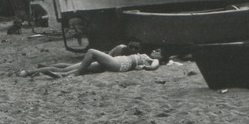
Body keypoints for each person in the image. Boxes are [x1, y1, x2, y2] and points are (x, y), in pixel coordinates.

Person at [30, 43, 160, 78]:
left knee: (91, 51)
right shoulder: (140, 54)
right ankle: (60, 74)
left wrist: (147, 66)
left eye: (159, 52)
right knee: (71, 67)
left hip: (120, 64)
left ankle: (74, 75)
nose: (156, 52)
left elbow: (154, 66)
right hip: (115, 63)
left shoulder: (149, 59)